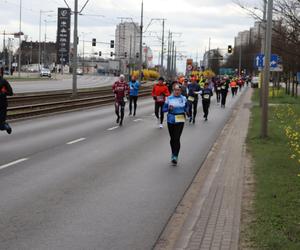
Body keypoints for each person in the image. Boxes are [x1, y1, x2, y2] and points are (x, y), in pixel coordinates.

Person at [163, 84, 188, 165]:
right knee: (172, 138)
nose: (177, 91)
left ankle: (175, 156)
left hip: (180, 118)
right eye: (175, 90)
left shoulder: (183, 98)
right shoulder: (169, 98)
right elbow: (164, 109)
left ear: (180, 91)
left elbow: (187, 107)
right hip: (171, 119)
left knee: (177, 138)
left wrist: (188, 111)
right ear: (173, 91)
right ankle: (173, 153)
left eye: (178, 90)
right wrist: (168, 108)